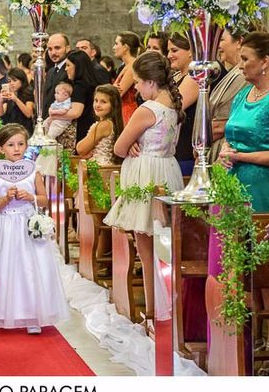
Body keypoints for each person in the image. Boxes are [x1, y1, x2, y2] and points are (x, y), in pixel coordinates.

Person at [219, 32, 269, 374]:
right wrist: (226, 150)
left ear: (265, 61)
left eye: (245, 59)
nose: (240, 66)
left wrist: (243, 155)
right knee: (244, 266)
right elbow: (230, 130)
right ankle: (250, 335)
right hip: (236, 187)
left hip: (267, 191)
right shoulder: (243, 94)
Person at [0, 123, 69, 334]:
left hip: (28, 225)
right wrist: (5, 198)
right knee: (5, 269)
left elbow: (45, 200)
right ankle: (4, 310)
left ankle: (33, 315)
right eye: (11, 145)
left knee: (31, 269)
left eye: (21, 144)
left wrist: (31, 197)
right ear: (1, 148)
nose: (17, 148)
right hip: (5, 227)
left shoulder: (33, 171)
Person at [103, 51, 185, 323]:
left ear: (151, 81)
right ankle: (168, 304)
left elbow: (119, 147)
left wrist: (132, 144)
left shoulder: (146, 110)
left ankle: (154, 309)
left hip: (146, 173)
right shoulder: (174, 105)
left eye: (138, 82)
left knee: (147, 247)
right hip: (167, 169)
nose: (135, 87)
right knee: (165, 244)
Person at [207, 29, 250, 164]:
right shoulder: (233, 71)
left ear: (239, 42)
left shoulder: (243, 76)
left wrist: (202, 141)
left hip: (224, 150)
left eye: (221, 40)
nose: (218, 46)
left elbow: (222, 124)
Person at [167, 33, 200, 176]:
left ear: (191, 52)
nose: (169, 55)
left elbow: (170, 108)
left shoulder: (195, 77)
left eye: (174, 50)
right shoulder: (176, 76)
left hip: (184, 151)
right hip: (173, 149)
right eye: (168, 51)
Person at [75, 83, 124, 165]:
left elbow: (80, 149)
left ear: (113, 105)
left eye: (103, 102)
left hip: (100, 167)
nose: (97, 105)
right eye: (96, 100)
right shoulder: (111, 123)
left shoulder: (104, 125)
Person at [0, 67, 35, 136]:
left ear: (22, 81)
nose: (11, 83)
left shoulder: (28, 93)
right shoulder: (9, 93)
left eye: (14, 80)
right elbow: (0, 113)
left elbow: (29, 114)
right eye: (9, 81)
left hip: (24, 130)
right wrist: (1, 100)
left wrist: (16, 99)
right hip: (10, 130)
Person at [113, 31, 141, 124]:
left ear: (125, 47)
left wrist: (112, 89)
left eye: (116, 44)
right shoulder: (127, 65)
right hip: (123, 111)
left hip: (127, 113)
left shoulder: (132, 66)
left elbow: (117, 94)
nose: (114, 47)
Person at [42, 33, 70, 118]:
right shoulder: (50, 71)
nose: (53, 52)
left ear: (67, 48)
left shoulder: (70, 70)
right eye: (50, 49)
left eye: (57, 48)